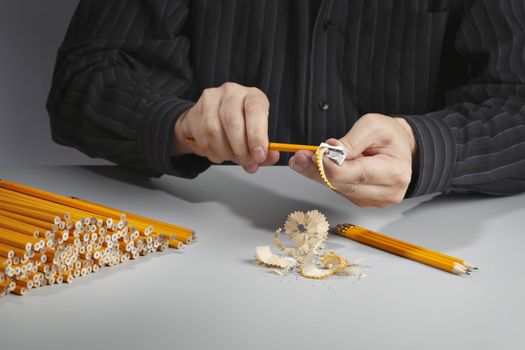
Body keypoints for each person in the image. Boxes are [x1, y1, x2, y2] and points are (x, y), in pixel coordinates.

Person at [47, 0, 525, 208]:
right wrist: (180, 124)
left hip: (409, 245)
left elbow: (516, 101)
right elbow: (84, 78)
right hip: (205, 245)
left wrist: (423, 147)